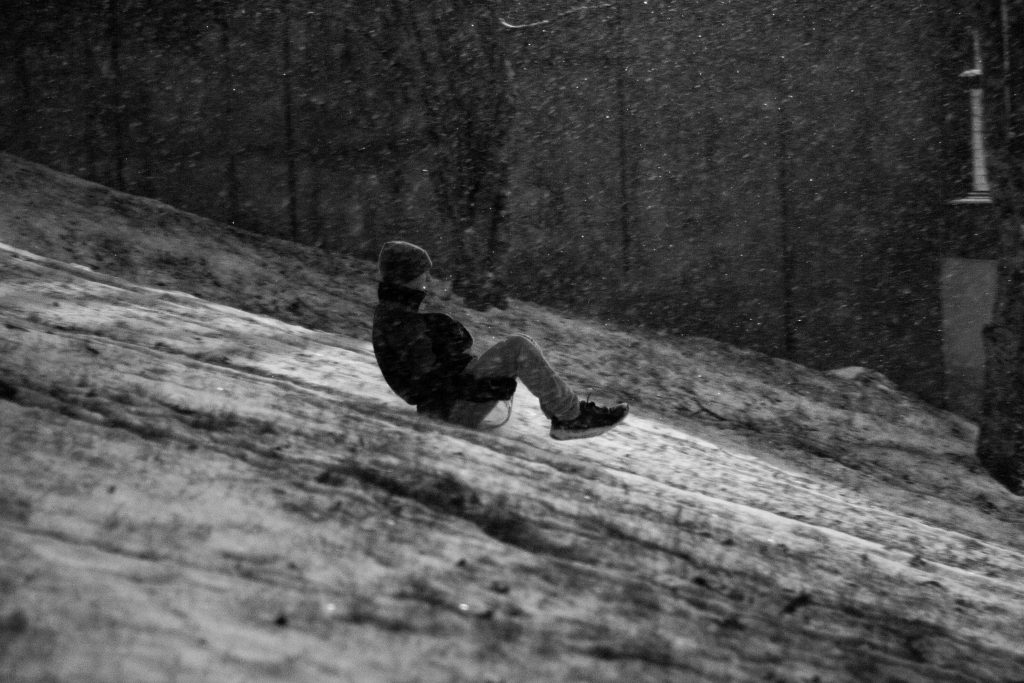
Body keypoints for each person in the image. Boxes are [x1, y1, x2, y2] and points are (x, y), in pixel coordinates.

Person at [372, 241, 629, 440]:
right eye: (422, 273)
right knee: (518, 348)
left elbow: (435, 372)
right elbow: (420, 386)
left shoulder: (401, 316)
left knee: (521, 344)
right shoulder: (398, 323)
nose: (428, 279)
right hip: (446, 411)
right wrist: (478, 388)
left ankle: (563, 414)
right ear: (405, 275)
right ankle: (571, 417)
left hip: (450, 403)